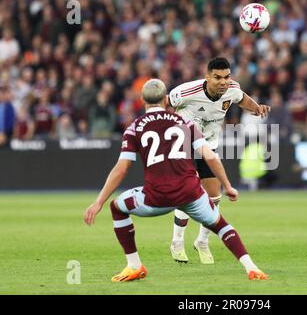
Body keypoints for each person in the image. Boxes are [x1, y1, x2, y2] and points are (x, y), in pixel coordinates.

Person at [83, 79, 268, 282]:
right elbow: (210, 156)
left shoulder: (134, 128)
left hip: (156, 198)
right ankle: (252, 268)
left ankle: (134, 265)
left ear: (142, 100)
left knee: (117, 207)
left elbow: (121, 168)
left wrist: (98, 201)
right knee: (222, 225)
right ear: (165, 99)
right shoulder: (186, 123)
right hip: (190, 194)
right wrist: (229, 186)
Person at [167, 57, 270, 264]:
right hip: (184, 147)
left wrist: (256, 108)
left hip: (209, 147)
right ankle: (177, 241)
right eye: (217, 78)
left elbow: (242, 99)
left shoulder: (231, 89)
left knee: (214, 197)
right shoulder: (187, 91)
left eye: (226, 77)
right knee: (187, 193)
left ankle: (202, 242)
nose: (223, 82)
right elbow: (163, 103)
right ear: (207, 77)